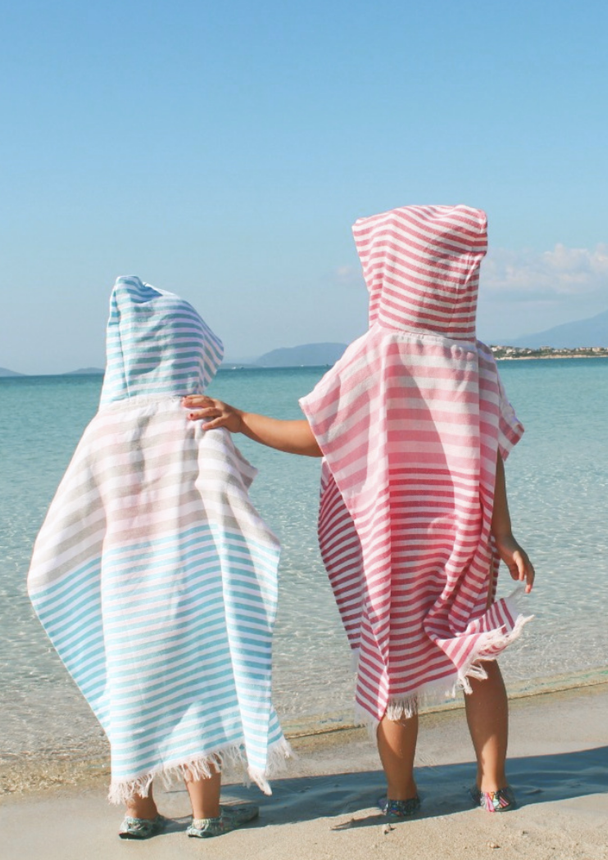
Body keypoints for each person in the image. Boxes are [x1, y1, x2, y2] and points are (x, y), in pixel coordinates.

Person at [186, 204, 535, 816]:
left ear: (390, 271)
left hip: (388, 537)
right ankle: (492, 785)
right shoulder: (476, 357)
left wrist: (240, 421)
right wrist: (503, 533)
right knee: (477, 654)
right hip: (465, 533)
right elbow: (492, 451)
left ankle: (401, 795)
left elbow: (319, 436)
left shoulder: (375, 352)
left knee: (392, 663)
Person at [28, 277, 291, 840]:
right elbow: (226, 489)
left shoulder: (102, 429)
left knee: (132, 693)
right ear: (185, 351)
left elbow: (72, 517)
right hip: (189, 580)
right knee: (200, 686)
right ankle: (205, 814)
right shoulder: (193, 415)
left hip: (121, 592)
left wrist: (56, 575)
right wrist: (250, 540)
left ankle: (140, 814)